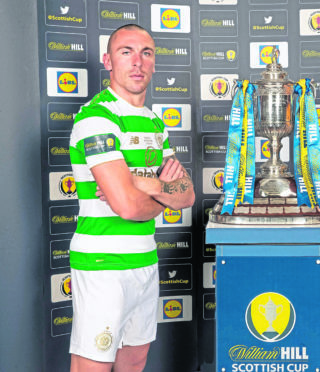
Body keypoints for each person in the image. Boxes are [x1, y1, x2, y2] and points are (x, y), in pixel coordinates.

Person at [68, 24, 195, 372]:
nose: (137, 62)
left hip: (144, 261)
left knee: (135, 362)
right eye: (126, 52)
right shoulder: (97, 118)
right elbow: (126, 206)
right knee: (91, 366)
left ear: (154, 64)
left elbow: (187, 195)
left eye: (146, 53)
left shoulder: (154, 123)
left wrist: (143, 184)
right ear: (108, 61)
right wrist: (158, 191)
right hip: (102, 266)